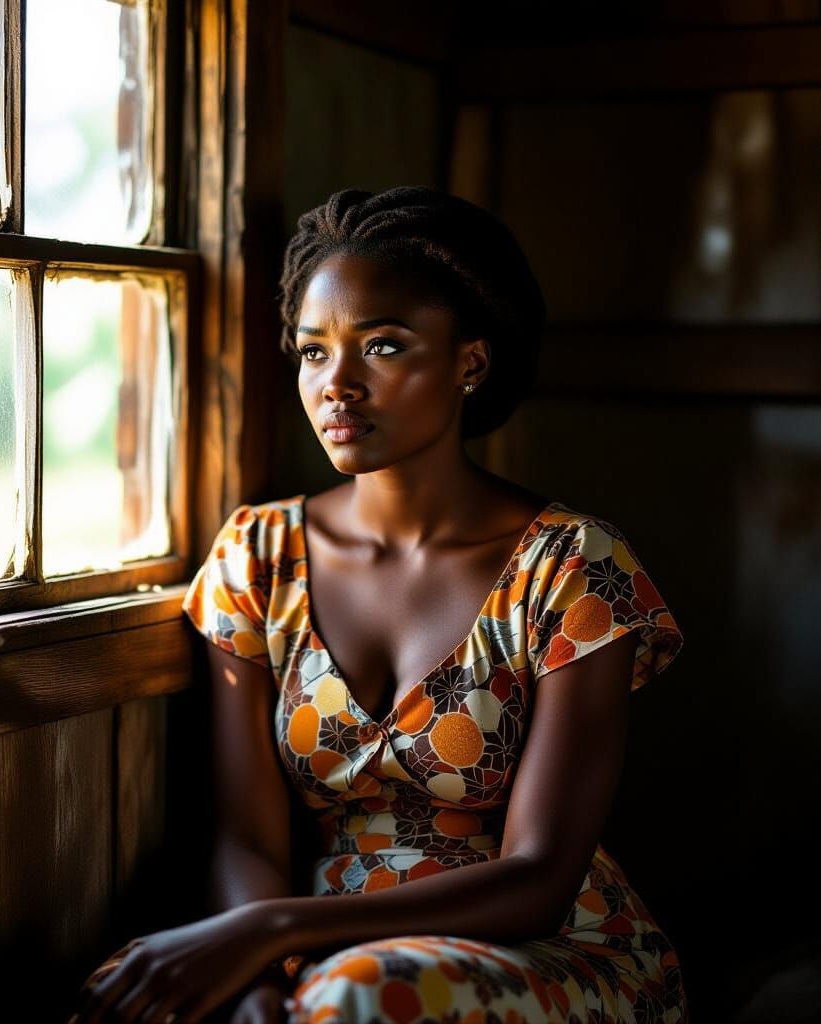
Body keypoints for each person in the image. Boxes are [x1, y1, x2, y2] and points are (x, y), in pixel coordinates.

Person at [72, 186, 687, 1024]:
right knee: (138, 995)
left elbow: (540, 879)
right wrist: (255, 977)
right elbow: (246, 839)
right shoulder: (259, 557)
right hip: (310, 953)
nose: (338, 385)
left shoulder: (572, 568)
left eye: (384, 347)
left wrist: (267, 930)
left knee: (364, 996)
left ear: (470, 362)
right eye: (313, 352)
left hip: (543, 954)